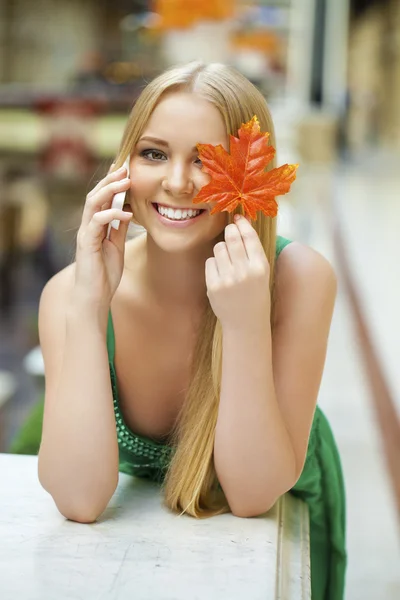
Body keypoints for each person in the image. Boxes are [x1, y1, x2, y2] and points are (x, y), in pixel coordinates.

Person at [37, 62, 346, 600]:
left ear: (252, 173)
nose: (178, 183)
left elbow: (252, 496)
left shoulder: (300, 279)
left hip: (274, 541)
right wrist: (88, 310)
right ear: (122, 166)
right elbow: (79, 500)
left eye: (206, 159)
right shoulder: (70, 292)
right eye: (153, 153)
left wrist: (246, 325)